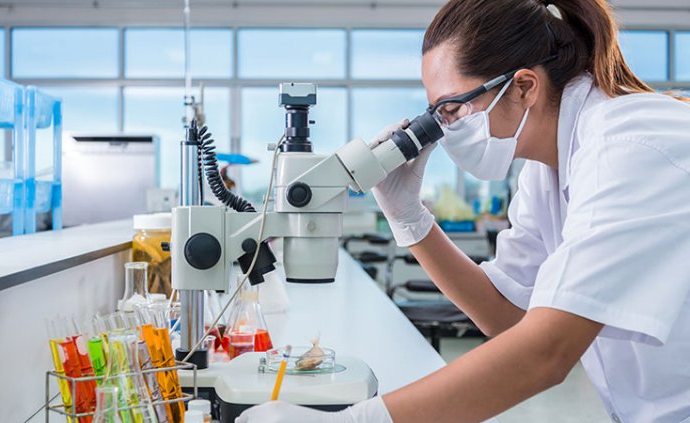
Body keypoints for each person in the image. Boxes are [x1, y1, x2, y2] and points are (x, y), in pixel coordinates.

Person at [237, 0, 690, 421]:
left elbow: (545, 354)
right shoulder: (545, 169)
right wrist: (409, 219)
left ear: (524, 87)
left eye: (452, 108)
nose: (446, 128)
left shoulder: (632, 147)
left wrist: (359, 420)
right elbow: (508, 318)